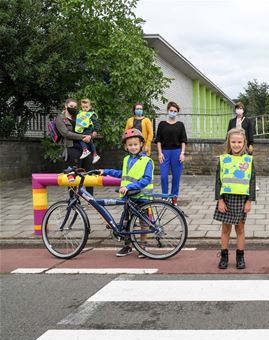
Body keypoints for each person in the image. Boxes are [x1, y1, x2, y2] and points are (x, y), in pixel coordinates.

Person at [100, 128, 154, 258]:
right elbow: (123, 174)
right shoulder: (126, 159)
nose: (133, 147)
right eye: (130, 145)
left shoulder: (147, 161)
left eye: (135, 144)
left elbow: (146, 179)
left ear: (141, 144)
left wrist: (130, 186)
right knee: (126, 221)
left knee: (143, 222)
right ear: (126, 146)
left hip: (142, 196)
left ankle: (143, 246)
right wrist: (106, 171)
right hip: (129, 197)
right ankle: (127, 246)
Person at [214, 128, 256, 270]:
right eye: (233, 142)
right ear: (229, 142)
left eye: (239, 142)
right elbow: (218, 181)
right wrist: (219, 200)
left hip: (241, 200)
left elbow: (252, 181)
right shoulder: (223, 159)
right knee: (225, 229)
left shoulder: (248, 160)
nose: (236, 144)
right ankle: (224, 256)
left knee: (240, 229)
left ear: (244, 142)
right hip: (226, 199)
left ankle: (240, 257)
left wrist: (249, 200)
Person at [55, 98, 94, 192]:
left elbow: (88, 125)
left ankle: (91, 200)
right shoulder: (60, 118)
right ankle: (74, 201)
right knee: (73, 175)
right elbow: (66, 133)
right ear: (66, 105)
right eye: (71, 106)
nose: (73, 108)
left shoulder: (78, 116)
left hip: (85, 148)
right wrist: (82, 136)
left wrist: (92, 133)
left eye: (75, 107)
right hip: (72, 149)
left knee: (89, 174)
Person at [156, 101, 187, 206]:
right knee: (164, 176)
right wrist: (160, 153)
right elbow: (158, 140)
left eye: (175, 111)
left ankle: (174, 198)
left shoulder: (180, 125)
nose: (173, 112)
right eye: (171, 110)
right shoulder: (162, 124)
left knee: (176, 177)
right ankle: (165, 197)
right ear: (167, 111)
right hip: (164, 152)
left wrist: (182, 153)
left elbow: (183, 141)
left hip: (177, 152)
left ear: (177, 112)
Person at [75, 98, 101, 164]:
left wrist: (95, 131)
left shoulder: (91, 114)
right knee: (90, 142)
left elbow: (96, 123)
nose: (85, 108)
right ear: (81, 107)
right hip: (83, 129)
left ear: (90, 107)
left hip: (88, 129)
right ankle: (95, 155)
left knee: (81, 138)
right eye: (83, 107)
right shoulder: (80, 113)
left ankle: (85, 150)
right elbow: (73, 113)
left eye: (87, 107)